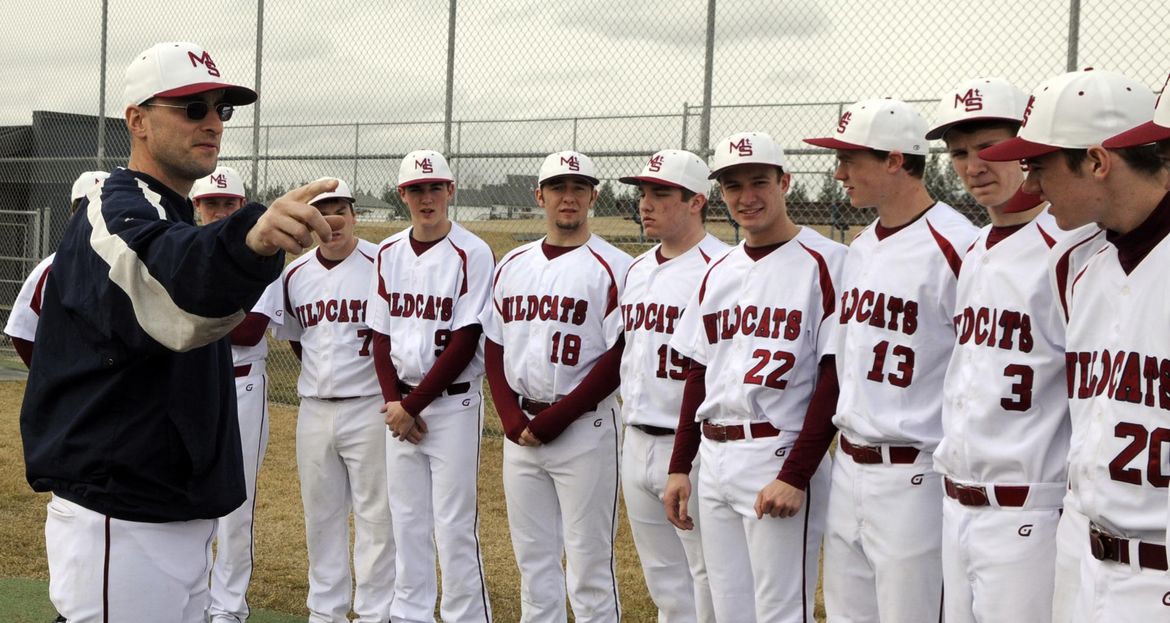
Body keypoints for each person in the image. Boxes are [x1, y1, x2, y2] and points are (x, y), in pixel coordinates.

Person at [20, 41, 341, 622]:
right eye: (192, 108)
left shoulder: (168, 211)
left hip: (169, 508)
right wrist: (250, 239)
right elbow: (165, 277)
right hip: (121, 516)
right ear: (137, 120)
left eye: (222, 109)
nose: (213, 122)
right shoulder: (111, 209)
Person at [980, 68, 1167, 623]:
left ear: (1097, 160)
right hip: (1078, 551)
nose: (1029, 186)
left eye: (1039, 166)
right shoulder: (1072, 262)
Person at [803, 98, 979, 621]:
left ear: (896, 160)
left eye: (851, 160)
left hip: (915, 473)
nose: (839, 174)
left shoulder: (959, 246)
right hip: (849, 466)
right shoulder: (859, 247)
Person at [663, 133, 844, 622]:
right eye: (733, 185)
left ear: (785, 181)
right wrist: (681, 464)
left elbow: (834, 379)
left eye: (759, 182)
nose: (747, 197)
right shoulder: (717, 268)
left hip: (777, 450)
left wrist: (796, 473)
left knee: (781, 610)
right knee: (728, 609)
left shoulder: (827, 263)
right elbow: (699, 371)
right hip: (715, 455)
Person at [925, 77, 1075, 623]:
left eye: (990, 147)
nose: (973, 166)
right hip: (957, 501)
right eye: (960, 153)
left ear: (1027, 149)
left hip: (1028, 508)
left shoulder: (1071, 250)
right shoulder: (975, 248)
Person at [481, 150, 632, 623]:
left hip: (583, 427)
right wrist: (509, 416)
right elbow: (494, 343)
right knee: (534, 562)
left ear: (593, 196)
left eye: (579, 188)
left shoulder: (616, 266)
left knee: (589, 566)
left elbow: (618, 356)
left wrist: (556, 418)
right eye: (559, 188)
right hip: (520, 429)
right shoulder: (512, 263)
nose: (569, 198)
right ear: (539, 196)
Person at [367, 150, 494, 622]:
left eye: (434, 187)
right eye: (416, 189)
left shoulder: (472, 252)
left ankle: (465, 616)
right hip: (401, 407)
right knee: (407, 520)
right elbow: (380, 335)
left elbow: (466, 338)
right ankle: (410, 614)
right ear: (402, 195)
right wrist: (394, 403)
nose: (426, 198)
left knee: (454, 525)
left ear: (450, 191)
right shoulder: (388, 251)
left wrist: (411, 405)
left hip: (453, 405)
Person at [275, 177, 396, 623]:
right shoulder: (295, 273)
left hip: (368, 404)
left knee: (376, 517)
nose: (333, 219)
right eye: (323, 211)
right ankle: (325, 610)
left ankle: (374, 611)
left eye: (341, 209)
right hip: (314, 407)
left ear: (355, 213)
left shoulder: (380, 263)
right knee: (321, 516)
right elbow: (295, 337)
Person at [616, 149, 724, 623]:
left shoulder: (721, 267)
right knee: (662, 577)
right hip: (635, 435)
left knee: (708, 575)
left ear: (696, 200)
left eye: (661, 194)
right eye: (643, 194)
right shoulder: (637, 269)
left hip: (691, 444)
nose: (646, 203)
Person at [191, 165, 285, 623]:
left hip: (242, 383)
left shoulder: (261, 256)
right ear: (197, 208)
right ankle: (192, 597)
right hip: (189, 383)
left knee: (236, 503)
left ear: (243, 207)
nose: (221, 211)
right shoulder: (185, 251)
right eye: (213, 204)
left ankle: (228, 606)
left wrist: (191, 312)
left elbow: (250, 330)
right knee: (186, 494)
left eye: (230, 204)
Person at [5, 170, 109, 367]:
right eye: (84, 207)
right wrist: (50, 377)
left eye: (102, 207)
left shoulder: (132, 264)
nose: (93, 215)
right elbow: (22, 332)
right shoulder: (51, 268)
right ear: (72, 214)